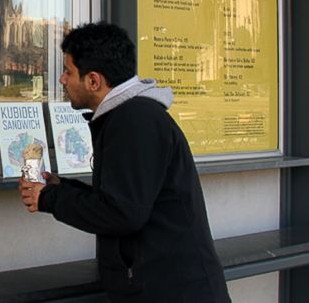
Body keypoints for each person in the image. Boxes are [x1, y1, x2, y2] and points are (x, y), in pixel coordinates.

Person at [19, 22, 230, 303]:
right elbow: (121, 200)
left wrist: (50, 199)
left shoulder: (134, 121)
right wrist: (58, 187)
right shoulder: (128, 116)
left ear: (93, 81)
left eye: (68, 72)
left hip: (174, 291)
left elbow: (122, 213)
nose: (62, 80)